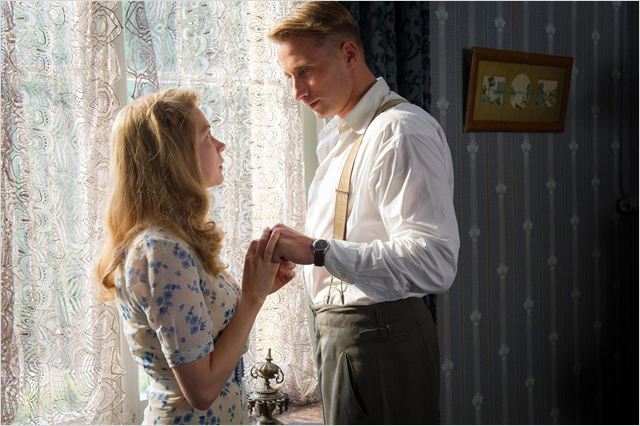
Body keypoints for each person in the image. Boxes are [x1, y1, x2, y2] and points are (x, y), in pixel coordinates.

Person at [267, 2, 459, 424]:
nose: (297, 92)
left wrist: (319, 251)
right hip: (341, 338)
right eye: (289, 77)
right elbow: (358, 238)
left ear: (349, 54)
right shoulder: (339, 134)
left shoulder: (401, 131)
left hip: (381, 341)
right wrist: (305, 254)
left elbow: (435, 261)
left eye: (305, 71)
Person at [94, 88, 295, 425]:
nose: (221, 145)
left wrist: (259, 287)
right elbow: (202, 391)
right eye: (206, 135)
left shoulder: (172, 242)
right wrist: (253, 297)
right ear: (174, 156)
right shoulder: (161, 251)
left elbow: (209, 340)